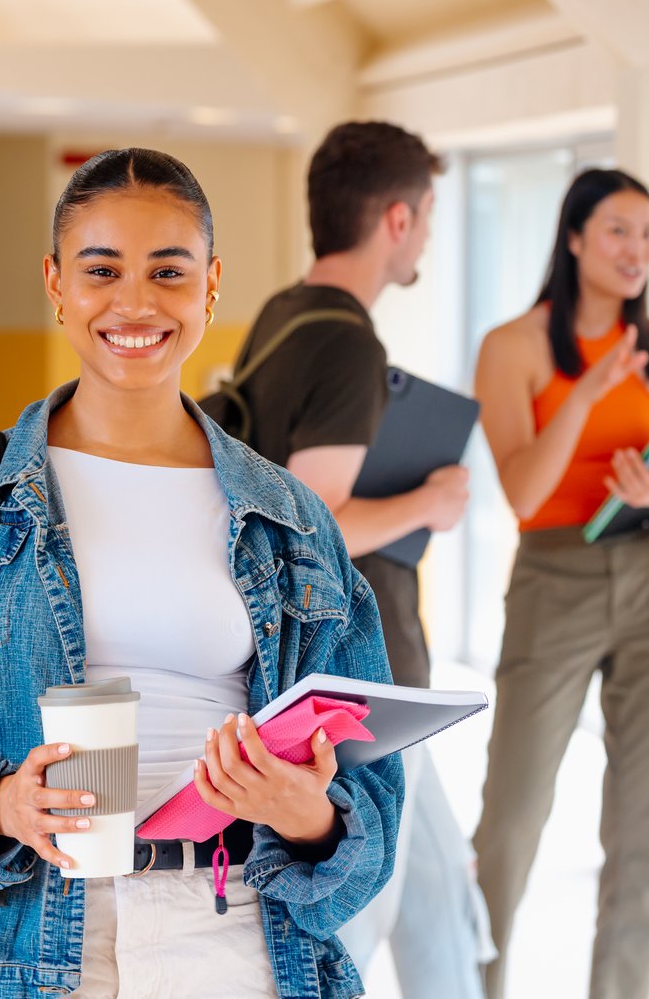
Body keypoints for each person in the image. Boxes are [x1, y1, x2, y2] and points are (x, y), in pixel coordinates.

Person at [0, 148, 403, 999]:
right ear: (55, 283)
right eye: (101, 270)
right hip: (15, 950)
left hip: (233, 941)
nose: (135, 302)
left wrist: (308, 818)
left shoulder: (290, 519)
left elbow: (372, 802)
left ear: (210, 284)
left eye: (168, 270)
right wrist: (0, 805)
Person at [210, 120, 488, 998]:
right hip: (359, 680)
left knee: (442, 896)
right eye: (429, 216)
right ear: (397, 220)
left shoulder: (283, 316)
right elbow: (313, 514)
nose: (428, 238)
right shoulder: (348, 341)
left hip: (339, 670)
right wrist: (428, 505)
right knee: (354, 915)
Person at [471, 168, 649, 999]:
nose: (638, 251)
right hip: (554, 579)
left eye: (648, 233)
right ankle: (473, 982)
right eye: (618, 231)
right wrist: (590, 388)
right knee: (510, 822)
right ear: (572, 239)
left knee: (643, 833)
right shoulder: (513, 346)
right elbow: (521, 491)